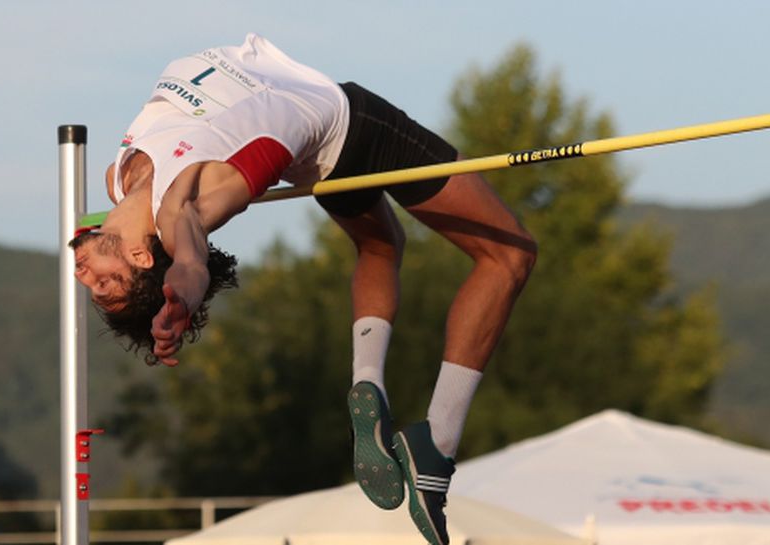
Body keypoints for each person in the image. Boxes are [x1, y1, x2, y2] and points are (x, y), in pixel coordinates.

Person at [71, 33, 536, 545]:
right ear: (140, 257)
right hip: (349, 124)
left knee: (381, 247)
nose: (83, 276)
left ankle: (368, 384)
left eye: (92, 284)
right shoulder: (181, 207)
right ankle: (438, 446)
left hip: (312, 148)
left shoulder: (120, 179)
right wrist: (184, 293)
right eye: (104, 284)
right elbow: (191, 256)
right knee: (510, 254)